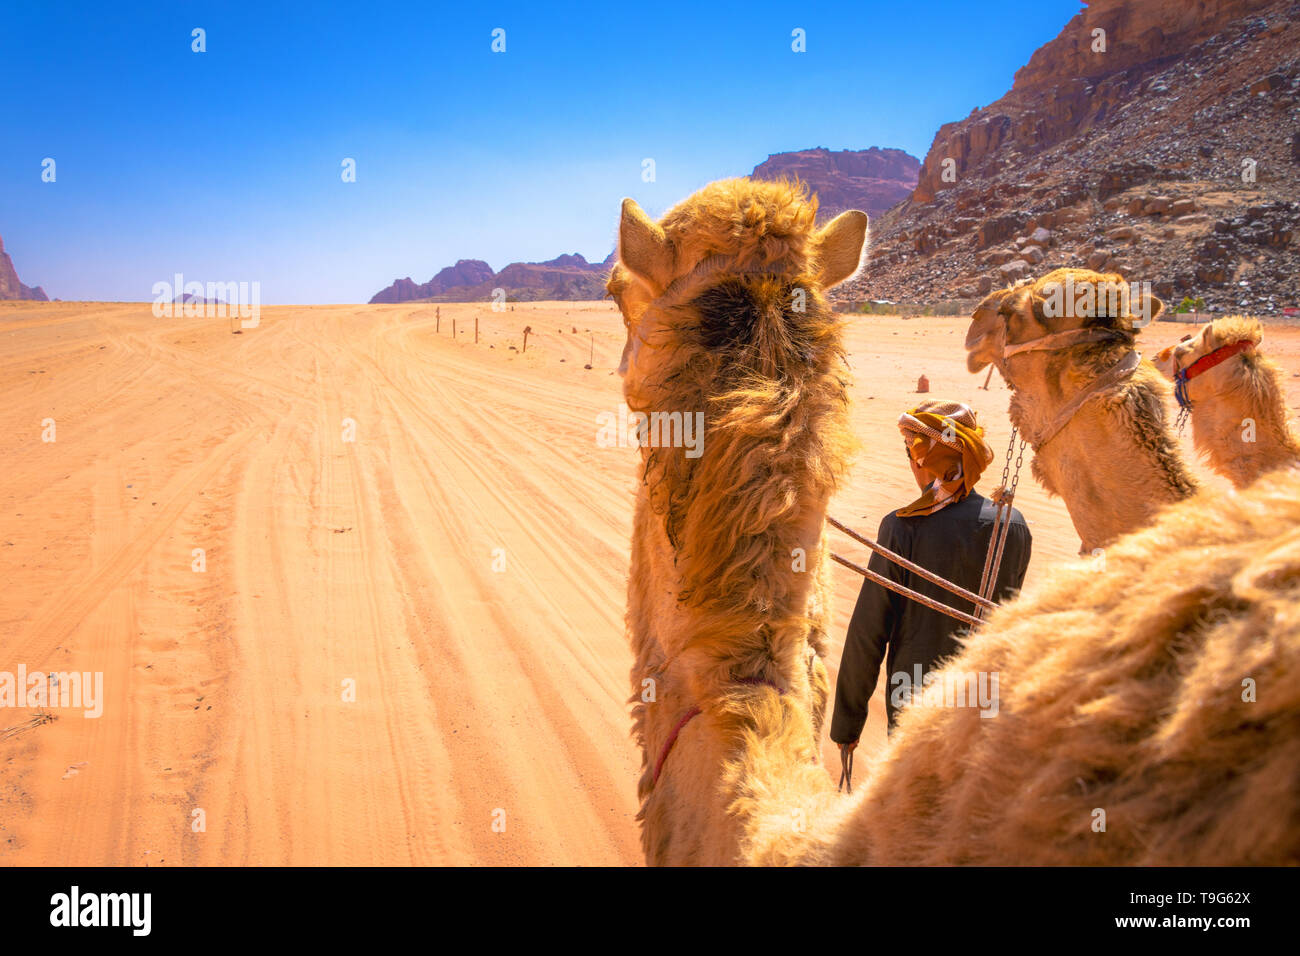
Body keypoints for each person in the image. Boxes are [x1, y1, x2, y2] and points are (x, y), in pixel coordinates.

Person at [830, 400, 1032, 760]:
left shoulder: (904, 526)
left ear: (923, 459)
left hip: (914, 701)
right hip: (988, 702)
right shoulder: (1012, 525)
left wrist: (847, 725)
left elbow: (868, 630)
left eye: (912, 452)